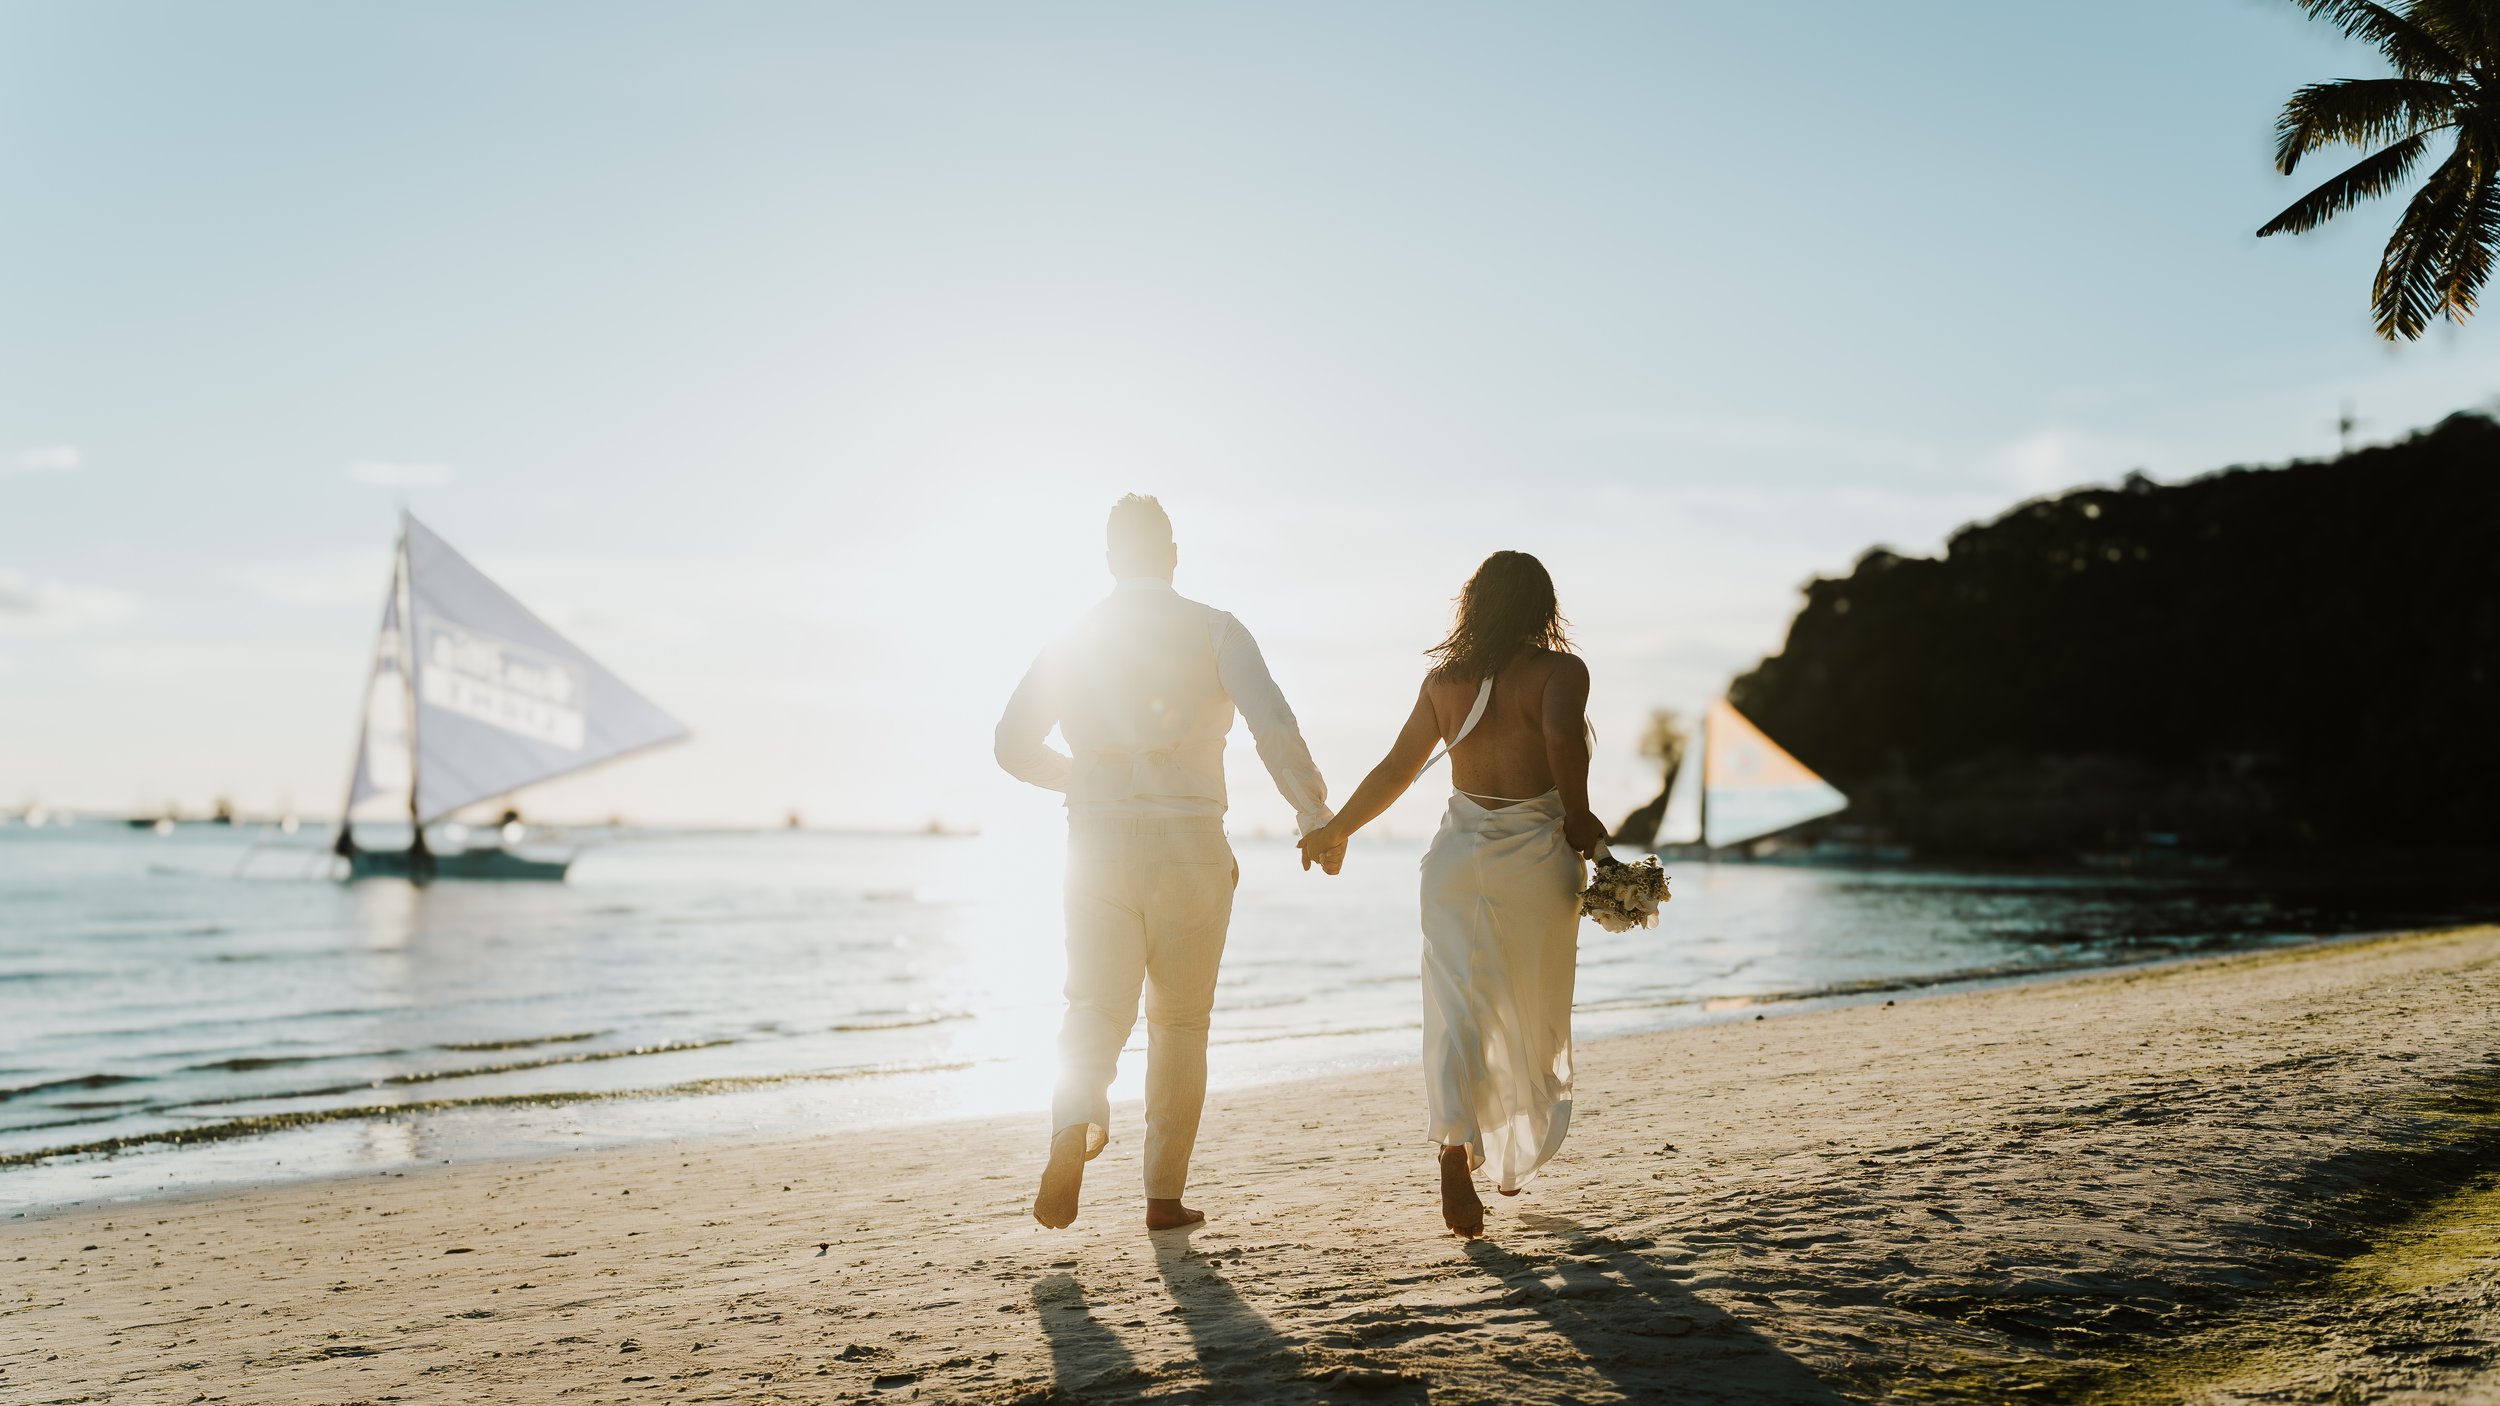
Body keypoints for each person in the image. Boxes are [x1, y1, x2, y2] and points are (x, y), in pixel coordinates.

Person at [995, 494, 1336, 1231]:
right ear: (1173, 555)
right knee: (1180, 1022)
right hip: (1190, 845)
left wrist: (1085, 778)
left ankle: (1071, 1128)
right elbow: (1273, 725)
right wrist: (1315, 818)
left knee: (1093, 1007)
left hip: (1097, 844)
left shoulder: (1071, 639)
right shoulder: (1216, 629)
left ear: (1111, 558)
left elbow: (1010, 744)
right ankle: (1162, 1197)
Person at [1296, 551, 1601, 1237]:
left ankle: (1454, 1142)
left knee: (1456, 1007)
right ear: (1541, 605)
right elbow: (1561, 741)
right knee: (1529, 1001)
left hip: (1456, 860)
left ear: (1474, 605)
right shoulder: (1559, 672)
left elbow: (1398, 767)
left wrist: (1336, 828)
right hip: (1533, 859)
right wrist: (1580, 819)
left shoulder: (1444, 682)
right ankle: (1499, 1135)